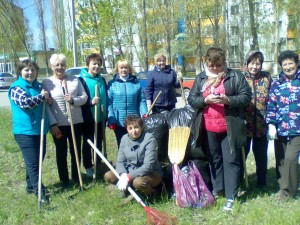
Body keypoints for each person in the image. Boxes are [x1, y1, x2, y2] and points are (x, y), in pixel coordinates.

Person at [188, 47, 251, 212]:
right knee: (215, 160)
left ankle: (231, 195)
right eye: (212, 65)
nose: (216, 68)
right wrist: (205, 100)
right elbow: (192, 99)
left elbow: (246, 96)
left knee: (231, 161)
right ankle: (218, 189)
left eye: (219, 65)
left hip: (229, 127)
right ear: (206, 61)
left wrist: (228, 99)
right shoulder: (201, 77)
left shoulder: (235, 76)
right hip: (209, 127)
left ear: (224, 63)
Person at [42, 54, 87, 188]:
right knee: (61, 152)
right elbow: (46, 106)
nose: (60, 67)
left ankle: (76, 175)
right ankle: (64, 180)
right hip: (59, 124)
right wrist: (53, 124)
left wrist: (73, 100)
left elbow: (84, 97)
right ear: (52, 67)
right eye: (57, 65)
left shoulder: (75, 80)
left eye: (62, 64)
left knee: (76, 150)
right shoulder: (47, 82)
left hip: (76, 122)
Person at [8, 59, 50, 204]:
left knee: (37, 160)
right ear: (20, 72)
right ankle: (40, 193)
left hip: (39, 130)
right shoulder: (16, 88)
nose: (30, 72)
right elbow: (25, 103)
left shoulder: (38, 86)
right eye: (26, 70)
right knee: (33, 163)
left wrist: (46, 96)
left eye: (32, 70)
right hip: (24, 132)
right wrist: (42, 97)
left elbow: (46, 102)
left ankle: (30, 186)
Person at [104, 115, 163, 203]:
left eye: (136, 127)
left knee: (138, 183)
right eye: (130, 128)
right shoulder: (124, 139)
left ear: (141, 127)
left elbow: (148, 166)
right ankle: (129, 189)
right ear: (127, 129)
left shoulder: (149, 139)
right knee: (108, 176)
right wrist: (123, 174)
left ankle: (152, 193)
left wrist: (129, 177)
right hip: (130, 170)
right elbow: (120, 161)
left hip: (150, 173)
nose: (133, 131)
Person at [266, 50, 300, 201]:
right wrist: (271, 124)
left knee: (291, 159)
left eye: (290, 63)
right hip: (281, 128)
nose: (287, 67)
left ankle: (288, 192)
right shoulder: (277, 82)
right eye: (284, 64)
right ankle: (282, 185)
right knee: (281, 159)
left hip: (297, 128)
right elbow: (271, 104)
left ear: (297, 63)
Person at [242, 50, 272, 187]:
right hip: (244, 125)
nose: (255, 67)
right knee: (242, 154)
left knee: (261, 155)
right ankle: (240, 181)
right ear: (247, 64)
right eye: (252, 63)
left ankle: (262, 182)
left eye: (258, 64)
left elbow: (272, 99)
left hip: (261, 125)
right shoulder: (241, 78)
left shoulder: (266, 78)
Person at [107, 59, 147, 148]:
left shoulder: (136, 83)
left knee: (135, 145)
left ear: (129, 69)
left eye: (126, 67)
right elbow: (109, 103)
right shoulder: (112, 84)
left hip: (134, 121)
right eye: (121, 68)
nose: (124, 70)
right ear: (117, 69)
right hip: (119, 121)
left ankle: (135, 161)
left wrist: (144, 113)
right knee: (121, 145)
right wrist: (111, 120)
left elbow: (142, 101)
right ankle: (123, 162)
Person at [79, 53, 107, 177]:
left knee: (99, 140)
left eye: (98, 64)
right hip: (88, 116)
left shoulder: (101, 79)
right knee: (88, 142)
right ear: (88, 65)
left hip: (101, 115)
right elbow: (79, 100)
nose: (96, 66)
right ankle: (88, 165)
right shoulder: (82, 80)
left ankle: (98, 162)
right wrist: (90, 102)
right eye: (94, 64)